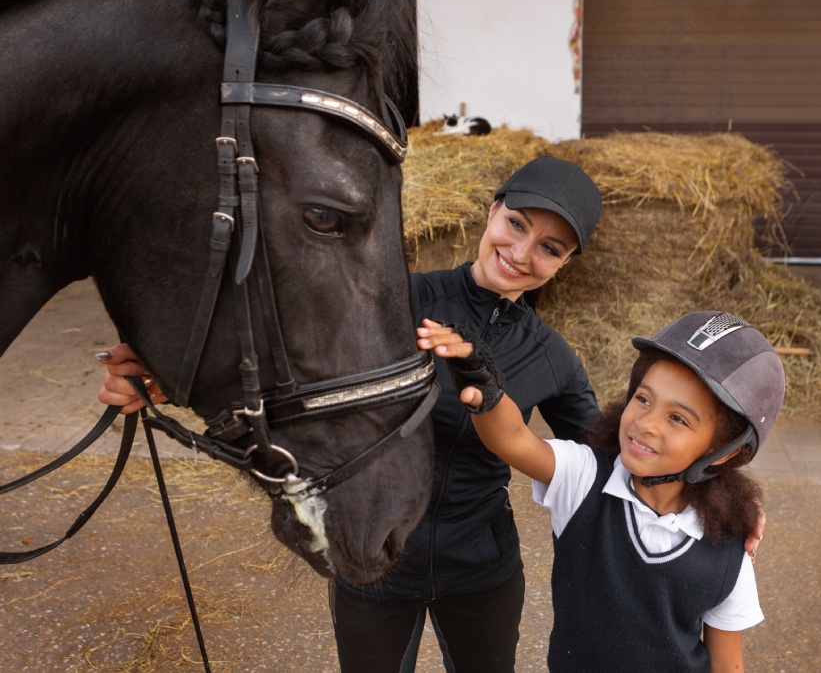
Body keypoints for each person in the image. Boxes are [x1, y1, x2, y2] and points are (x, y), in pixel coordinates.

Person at [97, 157, 764, 672]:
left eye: (550, 248)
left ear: (565, 265)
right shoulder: (393, 299)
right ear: (492, 211)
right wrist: (165, 379)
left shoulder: (554, 359)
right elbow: (283, 365)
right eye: (517, 224)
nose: (523, 253)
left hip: (484, 570)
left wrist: (725, 496)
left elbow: (617, 460)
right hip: (373, 556)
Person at [417, 310, 785, 671]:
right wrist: (486, 390)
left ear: (726, 451)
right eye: (643, 399)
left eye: (678, 418)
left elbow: (727, 663)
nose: (646, 423)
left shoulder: (727, 553)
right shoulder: (585, 478)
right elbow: (513, 440)